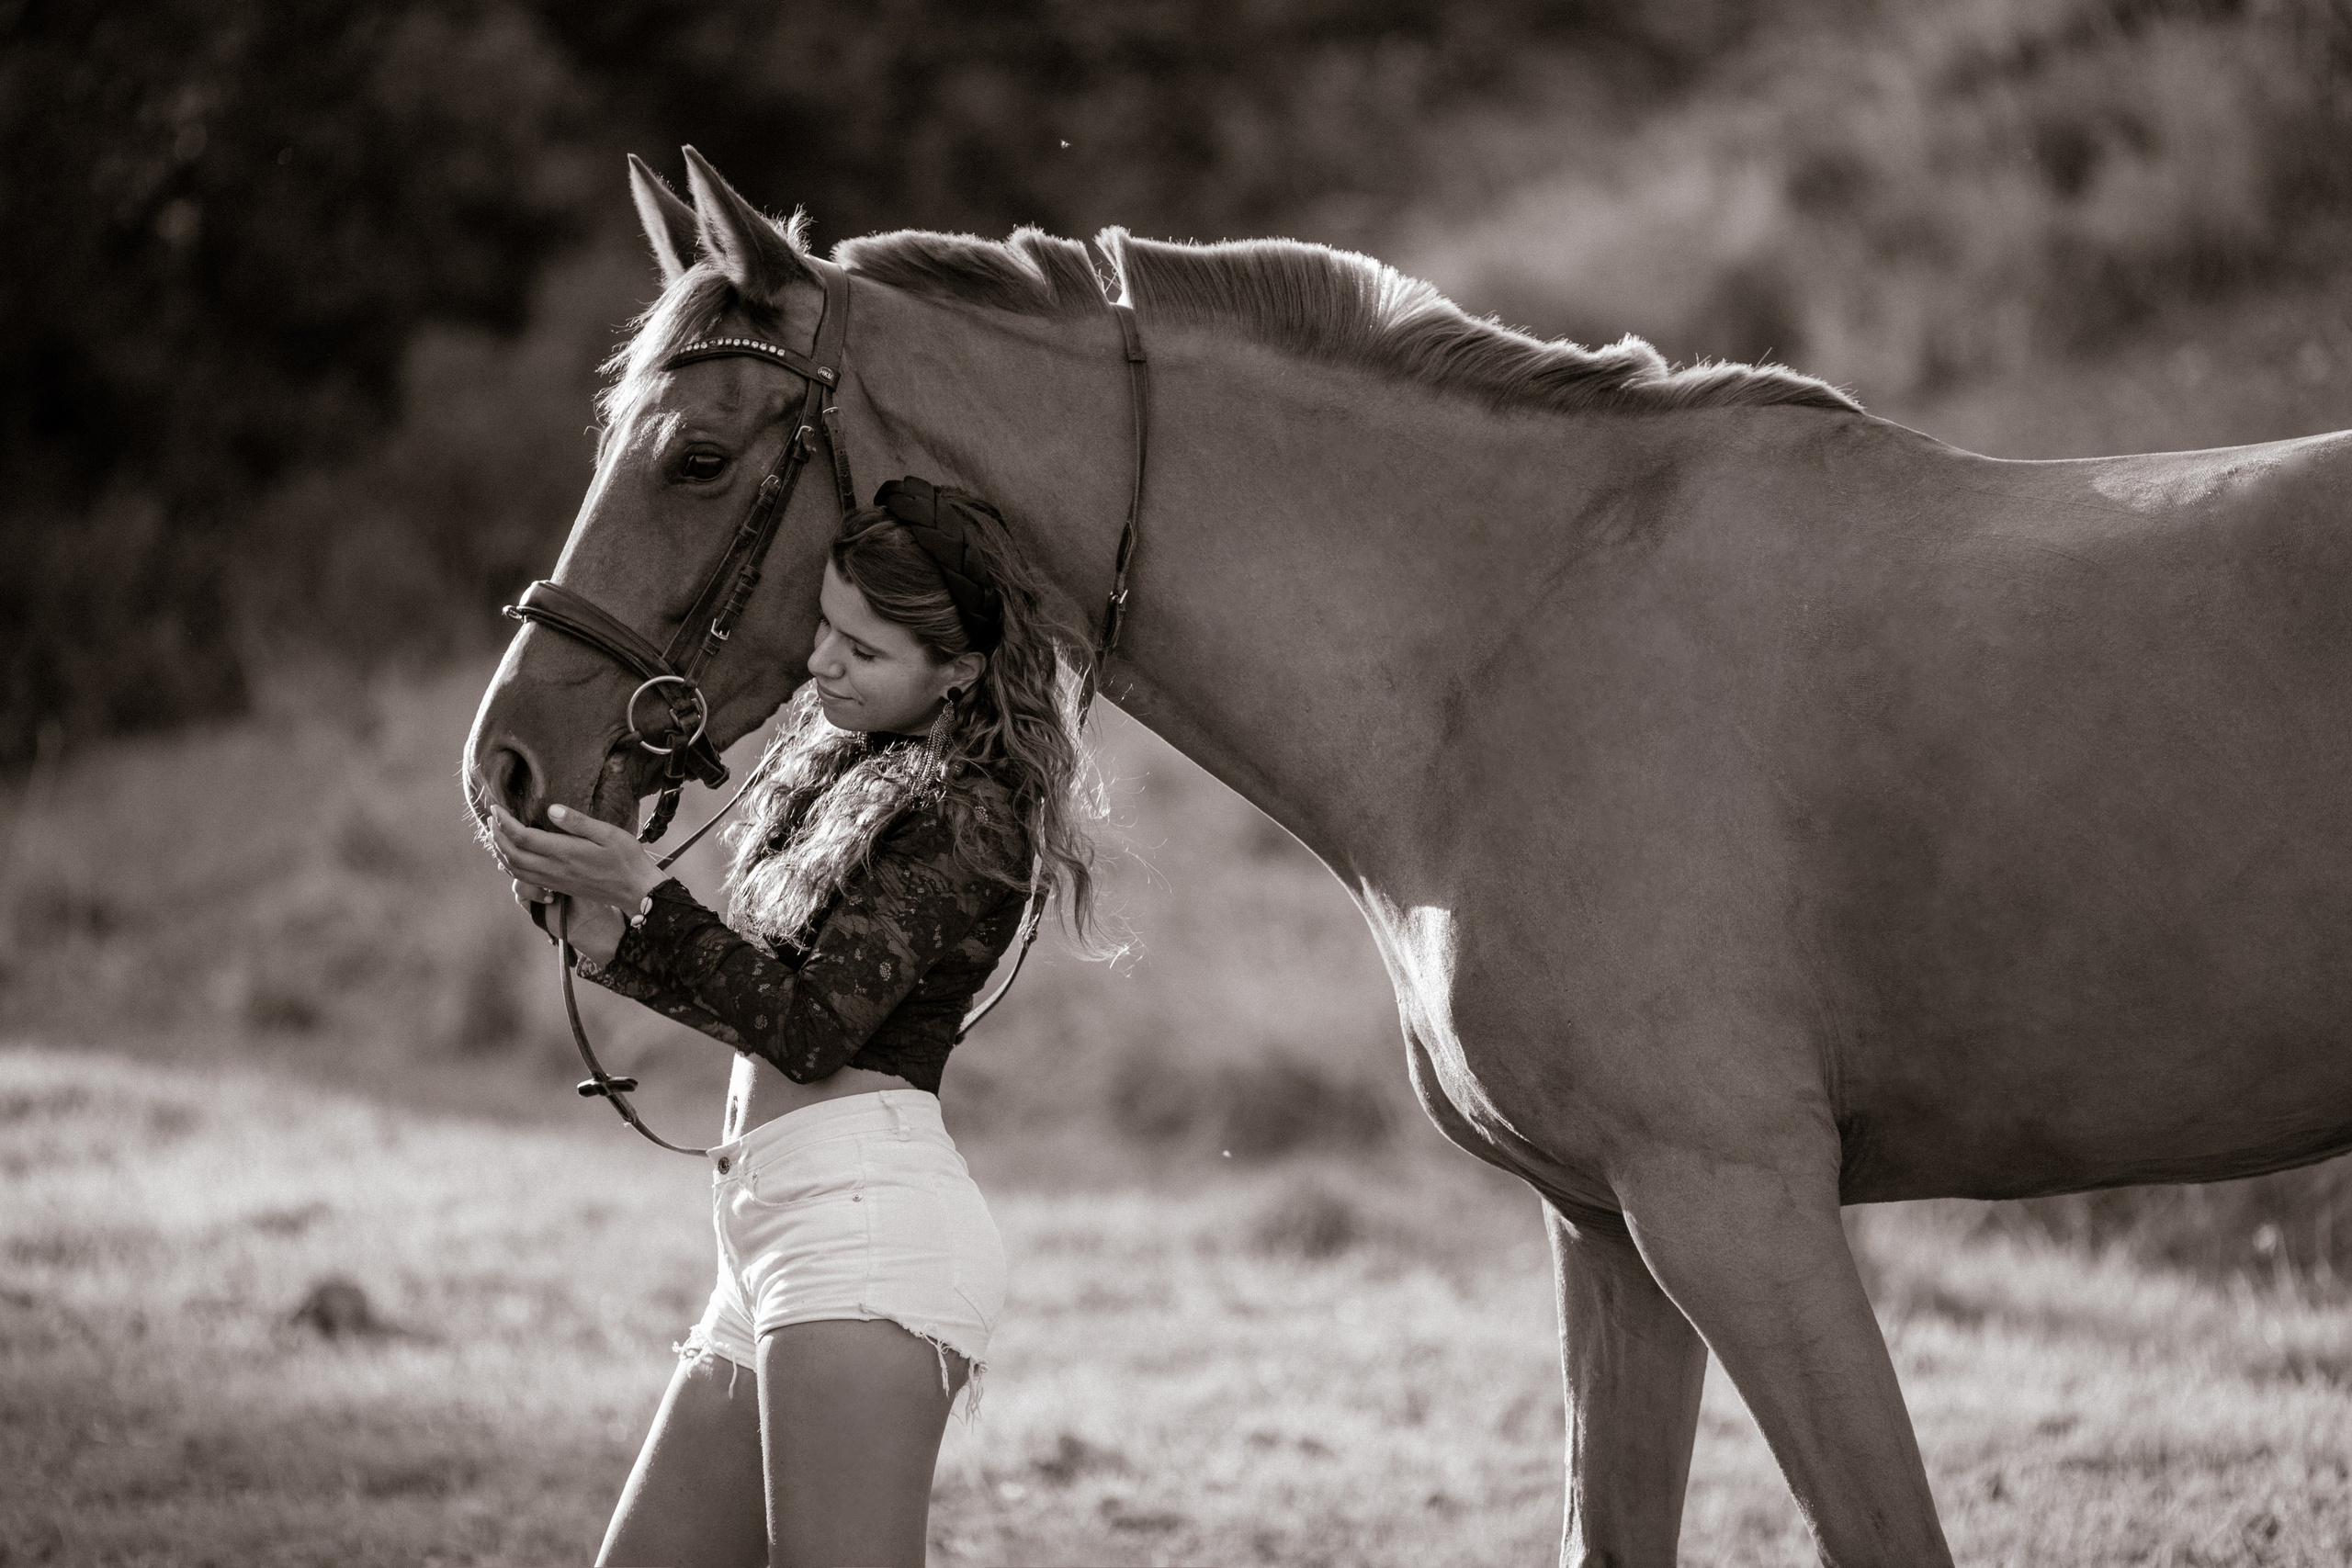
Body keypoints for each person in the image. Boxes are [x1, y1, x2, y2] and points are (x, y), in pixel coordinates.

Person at [487, 477, 1104, 1568]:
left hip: (865, 1234)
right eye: (826, 625)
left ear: (958, 671)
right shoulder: (845, 767)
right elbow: (761, 995)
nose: (822, 662)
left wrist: (652, 904)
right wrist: (606, 933)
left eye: (864, 653)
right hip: (769, 1229)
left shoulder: (973, 816)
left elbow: (814, 1032)